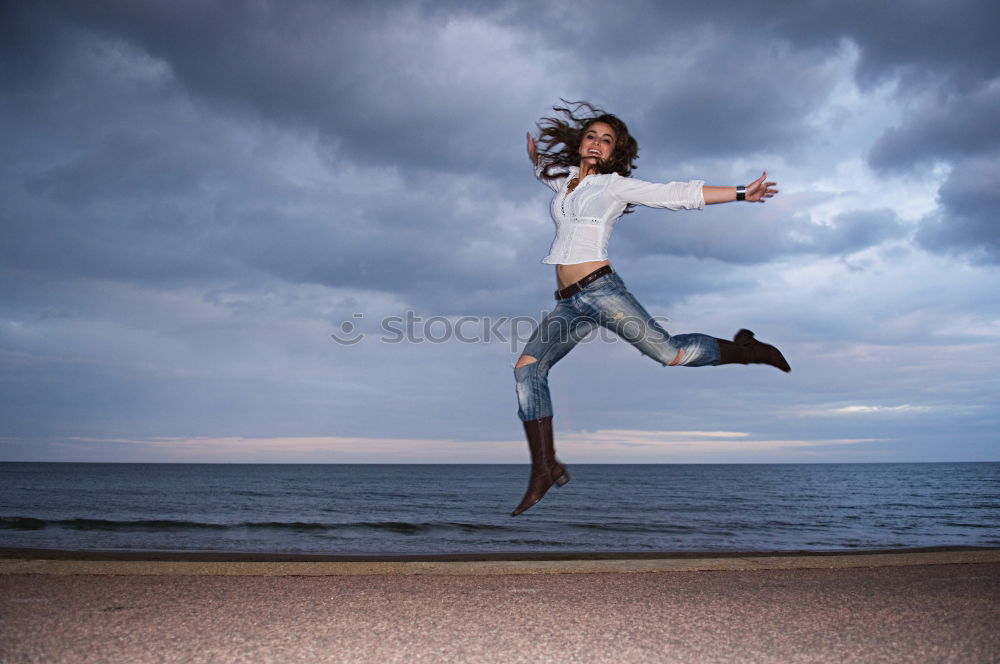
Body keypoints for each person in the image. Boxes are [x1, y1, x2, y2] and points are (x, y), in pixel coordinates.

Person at [512, 101, 789, 516]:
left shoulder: (614, 185)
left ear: (614, 151)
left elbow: (673, 194)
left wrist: (739, 193)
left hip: (601, 291)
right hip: (569, 305)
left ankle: (750, 350)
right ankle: (545, 467)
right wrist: (536, 157)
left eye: (607, 140)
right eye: (592, 136)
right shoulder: (565, 181)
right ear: (581, 142)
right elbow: (543, 171)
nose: (597, 144)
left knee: (671, 354)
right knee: (527, 368)